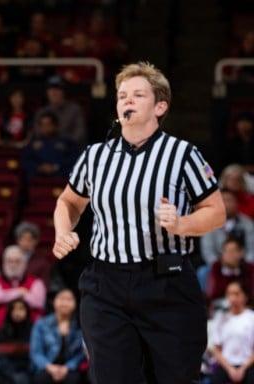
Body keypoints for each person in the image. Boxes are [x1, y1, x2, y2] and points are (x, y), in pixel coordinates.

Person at [53, 62, 226, 383]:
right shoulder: (95, 156)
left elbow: (216, 211)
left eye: (138, 95)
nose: (127, 101)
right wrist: (63, 231)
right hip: (106, 283)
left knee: (174, 376)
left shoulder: (183, 154)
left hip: (166, 281)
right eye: (122, 95)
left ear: (160, 106)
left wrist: (181, 225)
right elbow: (68, 202)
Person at [28, 289, 85, 384]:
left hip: (69, 368)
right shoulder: (41, 324)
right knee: (41, 379)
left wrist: (67, 367)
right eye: (61, 298)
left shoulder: (80, 325)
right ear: (54, 301)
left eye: (69, 299)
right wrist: (50, 367)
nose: (65, 303)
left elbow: (82, 353)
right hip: (46, 366)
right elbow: (36, 352)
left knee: (74, 379)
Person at [0, 245, 46, 329]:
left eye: (17, 261)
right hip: (0, 331)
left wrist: (5, 296)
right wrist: (19, 292)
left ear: (24, 263)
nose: (13, 265)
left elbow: (38, 302)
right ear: (3, 263)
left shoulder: (36, 282)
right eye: (9, 261)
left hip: (31, 331)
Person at [208, 280, 254, 384]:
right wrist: (230, 369)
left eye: (237, 294)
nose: (232, 298)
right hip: (226, 364)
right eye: (229, 294)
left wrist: (243, 368)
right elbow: (217, 349)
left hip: (248, 364)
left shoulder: (251, 318)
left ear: (245, 296)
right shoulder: (221, 318)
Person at [200, 188, 254, 265]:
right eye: (222, 201)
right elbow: (208, 251)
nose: (226, 205)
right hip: (218, 266)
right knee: (202, 272)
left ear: (236, 203)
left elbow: (252, 249)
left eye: (229, 201)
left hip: (244, 266)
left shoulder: (247, 223)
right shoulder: (210, 223)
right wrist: (219, 266)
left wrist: (244, 266)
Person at [21, 112, 79, 179]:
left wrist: (56, 167)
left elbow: (74, 160)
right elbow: (25, 160)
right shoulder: (33, 144)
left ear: (56, 126)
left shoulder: (67, 143)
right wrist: (39, 167)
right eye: (42, 125)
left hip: (61, 178)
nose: (45, 128)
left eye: (48, 124)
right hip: (38, 179)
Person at [33, 76, 86, 148]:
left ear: (63, 91)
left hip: (68, 150)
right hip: (46, 150)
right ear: (47, 92)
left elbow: (79, 134)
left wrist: (65, 144)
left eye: (57, 88)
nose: (54, 92)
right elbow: (37, 134)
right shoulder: (41, 112)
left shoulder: (74, 109)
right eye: (51, 89)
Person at [204, 237, 254, 310]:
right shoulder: (216, 267)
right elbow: (212, 295)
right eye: (226, 251)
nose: (229, 254)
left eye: (232, 251)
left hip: (245, 309)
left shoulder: (249, 268)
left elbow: (250, 294)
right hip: (220, 309)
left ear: (241, 253)